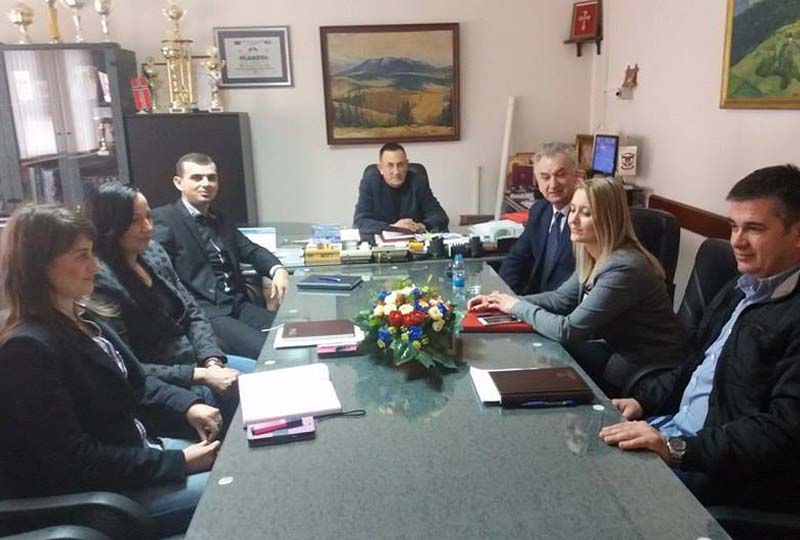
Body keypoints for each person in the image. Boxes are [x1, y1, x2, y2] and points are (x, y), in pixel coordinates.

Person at [0, 204, 221, 537]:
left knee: (238, 459)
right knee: (236, 488)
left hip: (139, 456)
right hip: (101, 500)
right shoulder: (26, 350)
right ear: (39, 265)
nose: (95, 265)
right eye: (82, 256)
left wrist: (189, 406)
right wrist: (178, 463)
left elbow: (138, 385)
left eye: (92, 253)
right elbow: (76, 460)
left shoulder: (84, 317)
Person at [600, 164, 800, 511]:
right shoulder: (741, 288)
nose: (737, 241)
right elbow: (694, 365)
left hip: (716, 471)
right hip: (673, 433)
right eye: (733, 226)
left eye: (754, 229)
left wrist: (677, 448)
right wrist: (642, 402)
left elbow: (782, 432)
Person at [468, 177, 689, 395]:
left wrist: (516, 306)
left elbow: (567, 330)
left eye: (586, 213)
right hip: (618, 350)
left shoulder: (624, 268)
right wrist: (501, 301)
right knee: (536, 357)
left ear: (608, 220)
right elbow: (560, 299)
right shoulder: (593, 254)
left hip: (647, 371)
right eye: (573, 210)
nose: (572, 220)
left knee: (544, 370)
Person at [85, 183, 255, 426]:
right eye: (135, 221)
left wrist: (212, 360)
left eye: (148, 217)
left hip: (200, 363)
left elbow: (192, 312)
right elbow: (127, 365)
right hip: (165, 387)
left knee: (265, 374)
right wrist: (201, 375)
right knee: (251, 398)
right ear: (110, 226)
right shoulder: (99, 281)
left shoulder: (153, 252)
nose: (148, 227)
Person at [152, 153, 289, 359]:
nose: (206, 184)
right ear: (178, 182)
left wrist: (277, 270)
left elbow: (251, 250)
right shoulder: (165, 219)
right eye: (197, 178)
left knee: (295, 333)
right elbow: (158, 274)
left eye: (211, 178)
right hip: (206, 312)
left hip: (239, 305)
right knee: (268, 352)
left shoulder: (221, 218)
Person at [499, 142, 578, 295]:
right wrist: (506, 295)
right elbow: (517, 258)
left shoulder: (585, 217)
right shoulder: (540, 210)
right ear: (537, 181)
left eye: (560, 175)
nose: (553, 184)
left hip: (566, 304)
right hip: (534, 301)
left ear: (576, 175)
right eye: (545, 177)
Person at [353, 142, 449, 241]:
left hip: (415, 243)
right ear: (380, 168)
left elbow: (440, 217)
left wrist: (422, 225)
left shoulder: (418, 182)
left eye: (400, 165)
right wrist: (392, 227)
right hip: (382, 245)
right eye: (390, 165)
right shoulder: (370, 183)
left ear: (407, 165)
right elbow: (360, 221)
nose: (396, 172)